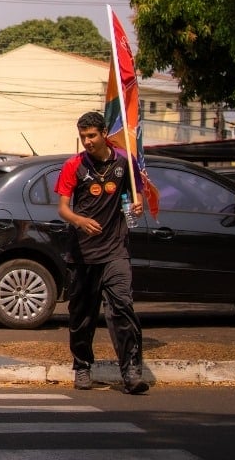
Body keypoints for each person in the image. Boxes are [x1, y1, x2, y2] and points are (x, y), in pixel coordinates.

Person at [56, 111, 149, 395]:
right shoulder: (74, 165)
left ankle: (131, 371)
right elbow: (62, 208)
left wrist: (137, 204)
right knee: (82, 315)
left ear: (104, 133)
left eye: (92, 136)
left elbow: (138, 192)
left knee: (122, 307)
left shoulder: (124, 161)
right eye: (83, 136)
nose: (87, 141)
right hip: (82, 254)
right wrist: (79, 221)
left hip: (115, 250)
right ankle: (83, 367)